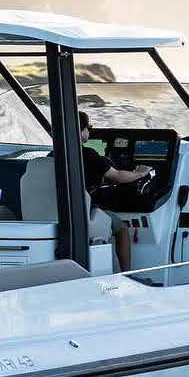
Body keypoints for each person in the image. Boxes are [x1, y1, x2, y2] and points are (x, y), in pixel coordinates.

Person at [79, 110, 150, 272]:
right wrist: (140, 173)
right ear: (81, 131)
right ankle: (127, 274)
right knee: (122, 227)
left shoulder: (53, 154)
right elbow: (118, 176)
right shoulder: (88, 155)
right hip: (82, 214)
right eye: (88, 127)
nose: (89, 131)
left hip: (56, 214)